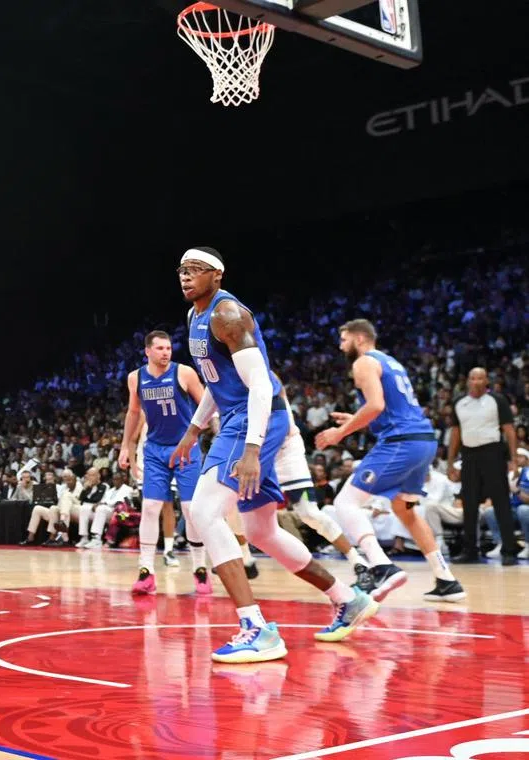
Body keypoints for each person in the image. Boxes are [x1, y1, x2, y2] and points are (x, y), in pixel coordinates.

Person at [172, 247, 378, 663]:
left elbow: (261, 385)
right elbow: (217, 380)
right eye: (181, 270)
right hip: (237, 417)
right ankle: (347, 598)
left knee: (205, 512)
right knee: (261, 531)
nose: (186, 276)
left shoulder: (227, 315)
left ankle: (256, 628)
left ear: (218, 275)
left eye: (196, 270)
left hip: (254, 418)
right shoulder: (195, 317)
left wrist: (251, 448)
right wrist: (193, 430)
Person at [315, 319, 466, 602]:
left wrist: (340, 432)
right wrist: (357, 422)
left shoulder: (362, 363)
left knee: (345, 502)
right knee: (404, 509)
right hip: (423, 442)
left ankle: (382, 566)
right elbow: (390, 411)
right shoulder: (392, 362)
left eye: (344, 340)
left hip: (402, 443)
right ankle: (446, 579)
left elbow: (375, 406)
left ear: (360, 339)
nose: (340, 346)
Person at [117, 330, 211, 595]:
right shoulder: (135, 378)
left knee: (191, 509)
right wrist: (126, 445)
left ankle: (200, 569)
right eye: (159, 348)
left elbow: (206, 403)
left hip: (185, 448)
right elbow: (133, 413)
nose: (165, 352)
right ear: (147, 351)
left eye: (168, 348)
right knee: (149, 507)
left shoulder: (184, 373)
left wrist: (209, 432)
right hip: (155, 449)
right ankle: (146, 571)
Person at [272, 376, 368, 574]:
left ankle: (357, 560)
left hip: (285, 450)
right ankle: (243, 558)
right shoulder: (222, 377)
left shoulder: (265, 373)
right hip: (253, 451)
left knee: (309, 513)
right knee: (237, 511)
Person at [447, 367, 520, 565]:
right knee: (469, 504)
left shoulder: (498, 400)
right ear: (468, 381)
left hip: (493, 453)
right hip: (469, 455)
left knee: (500, 502)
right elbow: (455, 433)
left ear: (486, 381)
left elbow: (509, 430)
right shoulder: (459, 403)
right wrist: (450, 461)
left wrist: (513, 458)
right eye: (473, 378)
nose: (477, 382)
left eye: (480, 378)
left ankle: (509, 551)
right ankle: (470, 551)